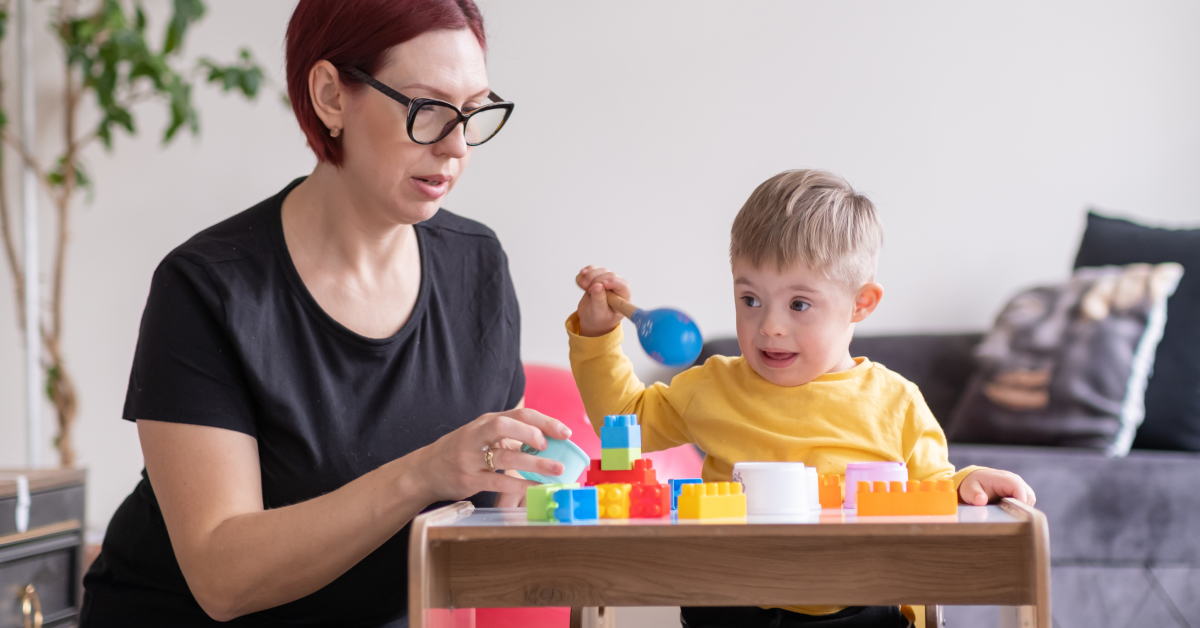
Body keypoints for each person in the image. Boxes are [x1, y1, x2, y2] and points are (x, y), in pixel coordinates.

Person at [80, 1, 570, 626]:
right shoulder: (206, 288)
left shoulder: (478, 267)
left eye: (473, 112)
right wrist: (424, 472)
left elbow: (469, 536)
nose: (456, 146)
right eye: (428, 110)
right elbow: (221, 578)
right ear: (330, 96)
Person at [567, 169, 1037, 628]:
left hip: (860, 606)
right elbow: (623, 420)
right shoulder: (711, 384)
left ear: (861, 303)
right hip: (730, 603)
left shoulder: (896, 402)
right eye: (750, 299)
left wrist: (969, 482)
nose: (769, 325)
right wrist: (598, 336)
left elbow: (934, 490)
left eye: (798, 304)